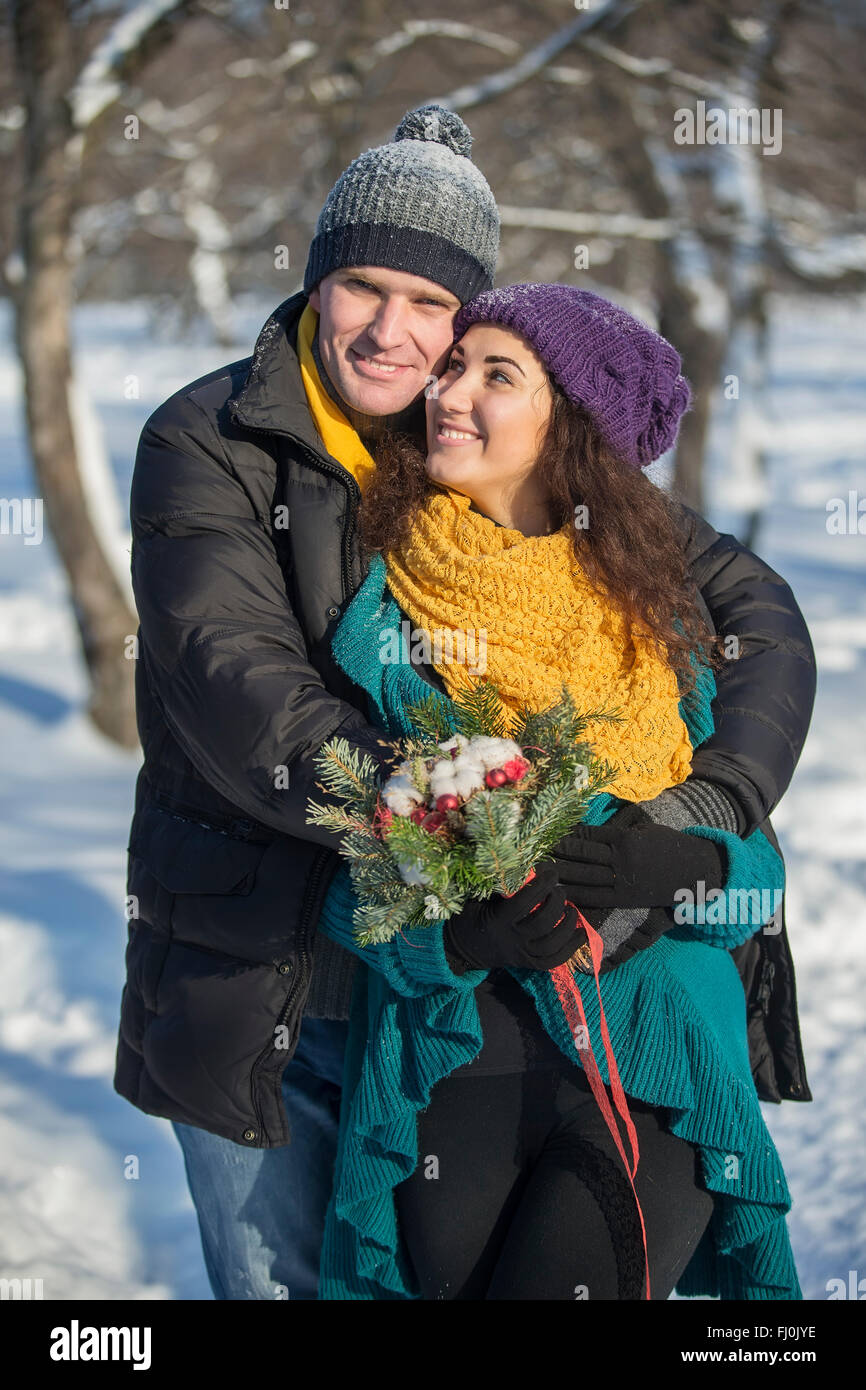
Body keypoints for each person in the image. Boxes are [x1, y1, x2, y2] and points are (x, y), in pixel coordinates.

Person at [113, 106, 814, 1301]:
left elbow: (754, 614)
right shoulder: (211, 440)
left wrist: (695, 813)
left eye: (433, 308)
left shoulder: (471, 447)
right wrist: (472, 841)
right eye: (362, 286)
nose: (394, 334)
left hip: (465, 989)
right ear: (315, 281)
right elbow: (251, 705)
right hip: (259, 978)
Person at [312, 282, 805, 1300]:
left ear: (568, 427)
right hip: (459, 1054)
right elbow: (343, 867)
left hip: (653, 1051)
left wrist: (684, 858)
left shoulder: (653, 617)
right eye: (453, 366)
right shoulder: (382, 615)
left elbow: (753, 871)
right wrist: (453, 941)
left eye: (498, 375)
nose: (449, 391)